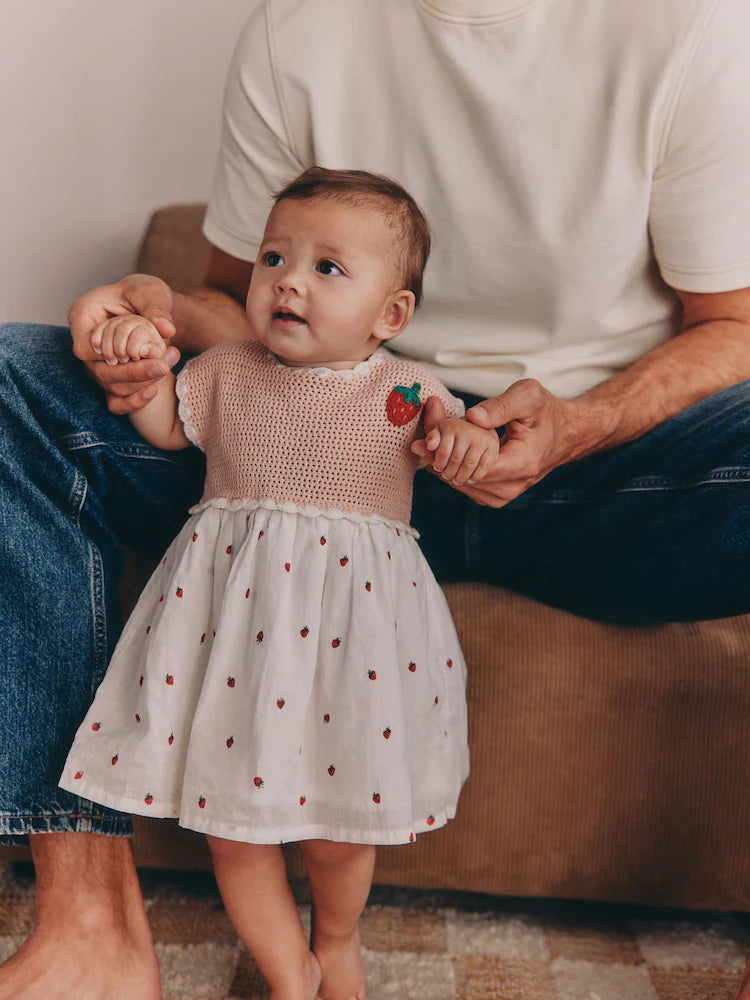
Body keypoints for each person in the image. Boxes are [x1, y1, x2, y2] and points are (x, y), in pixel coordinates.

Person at [2, 2, 750, 998]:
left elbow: (734, 324)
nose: (293, 276)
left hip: (594, 465)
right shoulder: (299, 32)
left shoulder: (691, 29)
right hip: (296, 466)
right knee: (14, 371)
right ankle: (91, 924)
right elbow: (231, 309)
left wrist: (579, 424)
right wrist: (156, 309)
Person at [58, 166, 478, 1000]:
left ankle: (339, 942)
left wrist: (459, 440)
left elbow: (448, 437)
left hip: (348, 640)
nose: (288, 280)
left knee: (337, 832)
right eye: (273, 257)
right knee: (233, 828)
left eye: (328, 268)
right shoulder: (229, 371)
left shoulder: (403, 391)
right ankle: (290, 973)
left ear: (390, 314)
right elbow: (169, 427)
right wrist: (142, 382)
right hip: (233, 629)